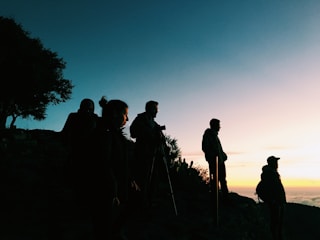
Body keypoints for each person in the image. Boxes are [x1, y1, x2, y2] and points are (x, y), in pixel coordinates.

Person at [89, 97, 139, 240]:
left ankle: (114, 232)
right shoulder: (104, 133)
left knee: (133, 202)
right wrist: (113, 191)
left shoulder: (113, 133)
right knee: (102, 223)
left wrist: (130, 180)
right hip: (104, 188)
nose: (127, 118)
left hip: (114, 185)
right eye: (125, 114)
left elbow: (120, 162)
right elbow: (103, 163)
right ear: (115, 114)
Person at [60, 98, 99, 207]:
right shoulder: (73, 116)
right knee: (76, 179)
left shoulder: (95, 118)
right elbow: (65, 131)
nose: (87, 110)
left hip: (91, 154)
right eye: (85, 107)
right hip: (76, 151)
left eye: (90, 108)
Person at [129, 100, 164, 214]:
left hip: (154, 155)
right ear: (149, 109)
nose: (157, 112)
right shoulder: (140, 119)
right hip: (143, 154)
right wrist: (149, 133)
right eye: (155, 109)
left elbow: (161, 140)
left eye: (157, 109)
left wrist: (162, 142)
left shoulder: (155, 124)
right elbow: (133, 132)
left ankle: (150, 202)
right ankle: (140, 204)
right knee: (142, 179)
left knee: (153, 180)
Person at [202, 118, 229, 203]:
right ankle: (216, 200)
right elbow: (205, 148)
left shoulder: (215, 135)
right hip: (214, 162)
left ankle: (225, 198)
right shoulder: (208, 134)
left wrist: (223, 155)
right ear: (214, 125)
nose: (220, 127)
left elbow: (218, 149)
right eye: (218, 125)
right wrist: (213, 157)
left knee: (223, 180)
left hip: (220, 162)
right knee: (215, 181)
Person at [260, 156, 286, 240]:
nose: (277, 164)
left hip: (277, 202)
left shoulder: (271, 173)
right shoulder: (270, 174)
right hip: (275, 203)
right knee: (276, 223)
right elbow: (272, 189)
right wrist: (273, 201)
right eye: (275, 162)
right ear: (271, 163)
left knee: (277, 223)